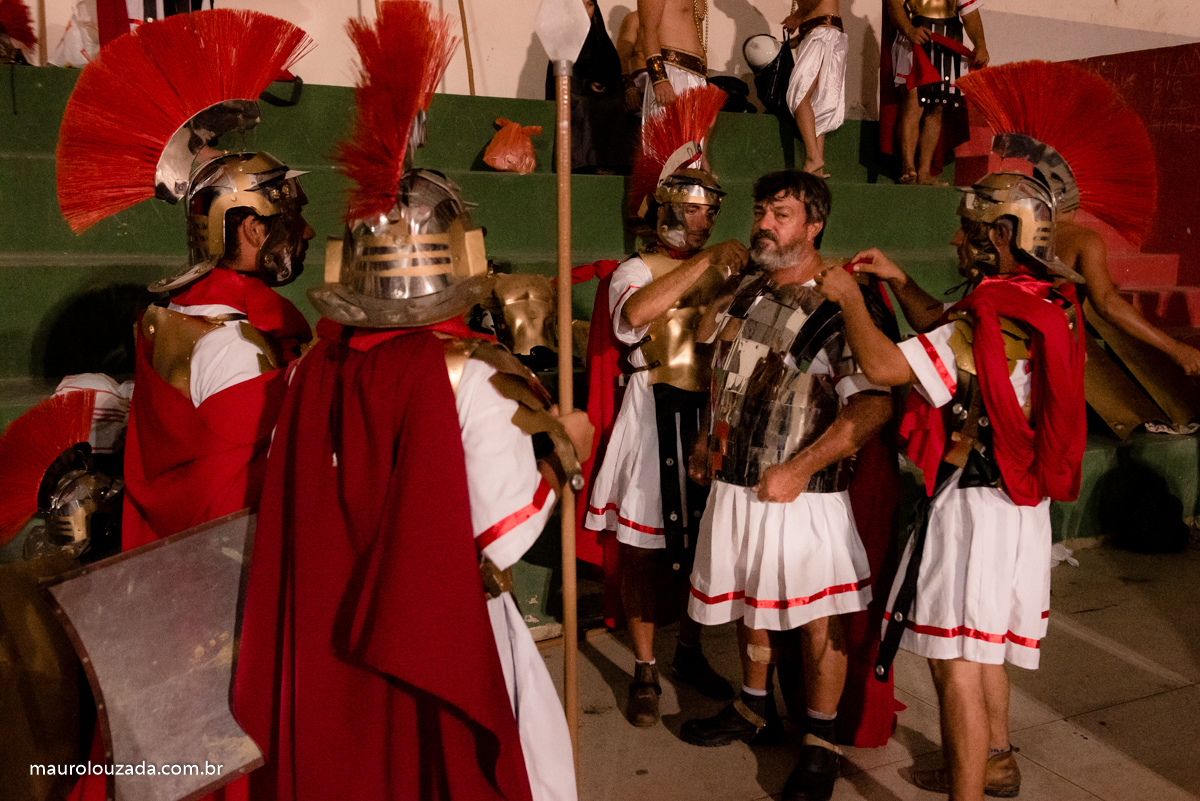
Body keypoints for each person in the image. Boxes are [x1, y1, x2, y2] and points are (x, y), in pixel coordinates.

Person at [232, 5, 588, 800]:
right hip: (444, 637)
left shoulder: (311, 366)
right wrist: (568, 443)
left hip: (331, 629)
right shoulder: (469, 368)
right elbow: (504, 536)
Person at [52, 10, 314, 801]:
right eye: (279, 221)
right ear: (239, 231)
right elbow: (243, 501)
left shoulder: (169, 315)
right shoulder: (237, 341)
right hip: (220, 607)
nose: (294, 236)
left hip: (165, 588)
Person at [817, 170, 1087, 801]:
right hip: (1020, 505)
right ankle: (994, 760)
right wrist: (901, 283)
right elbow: (954, 330)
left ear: (1002, 233)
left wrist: (852, 301)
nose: (959, 241)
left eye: (969, 230)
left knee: (956, 665)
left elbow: (889, 365)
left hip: (975, 508)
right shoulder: (1041, 302)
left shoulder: (986, 316)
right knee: (984, 647)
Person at [680, 171, 894, 801]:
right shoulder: (748, 288)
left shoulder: (841, 305)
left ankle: (821, 743)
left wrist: (800, 467)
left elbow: (875, 404)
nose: (763, 223)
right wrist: (704, 440)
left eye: (780, 213)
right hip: (734, 480)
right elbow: (726, 372)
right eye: (761, 211)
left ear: (813, 224)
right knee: (750, 601)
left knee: (815, 620)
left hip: (804, 494)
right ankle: (753, 706)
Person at [584, 118, 743, 725]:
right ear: (673, 209)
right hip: (651, 415)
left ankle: (688, 651)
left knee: (702, 541)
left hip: (702, 414)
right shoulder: (637, 269)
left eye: (712, 211)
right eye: (699, 210)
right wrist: (706, 269)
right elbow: (634, 318)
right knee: (645, 548)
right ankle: (645, 666)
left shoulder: (718, 265)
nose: (708, 222)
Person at [886, 0, 988, 185]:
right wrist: (909, 31)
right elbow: (894, 6)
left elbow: (969, 12)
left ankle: (924, 172)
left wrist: (980, 44)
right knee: (913, 103)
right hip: (915, 39)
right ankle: (908, 167)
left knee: (937, 106)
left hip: (948, 39)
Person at [545, 0, 633, 173]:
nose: (586, 10)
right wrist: (586, 85)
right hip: (571, 94)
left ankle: (611, 165)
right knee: (585, 106)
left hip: (600, 95)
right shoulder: (562, 36)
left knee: (615, 106)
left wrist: (603, 83)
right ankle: (587, 165)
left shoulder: (599, 36)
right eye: (581, 4)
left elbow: (612, 67)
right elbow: (560, 74)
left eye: (590, 4)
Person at [781, 0, 848, 177]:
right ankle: (817, 168)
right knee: (816, 101)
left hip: (822, 35)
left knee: (799, 94)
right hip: (826, 33)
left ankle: (813, 158)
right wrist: (799, 37)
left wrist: (796, 17)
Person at [638, 0, 708, 118]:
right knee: (670, 134)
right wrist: (659, 78)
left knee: (694, 136)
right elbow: (646, 30)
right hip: (670, 74)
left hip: (697, 77)